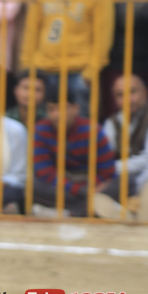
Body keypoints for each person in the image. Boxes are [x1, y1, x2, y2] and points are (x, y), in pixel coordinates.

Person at [20, 0, 113, 112]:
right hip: (44, 70)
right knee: (43, 124)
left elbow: (103, 38)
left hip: (79, 72)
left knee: (80, 124)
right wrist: (28, 67)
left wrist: (90, 72)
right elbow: (32, 30)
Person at [32, 82, 116, 216]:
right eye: (51, 109)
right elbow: (45, 172)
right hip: (62, 184)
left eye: (62, 108)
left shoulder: (92, 130)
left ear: (76, 108)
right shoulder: (41, 130)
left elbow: (107, 170)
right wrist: (80, 190)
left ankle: (70, 212)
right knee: (32, 186)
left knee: (124, 183)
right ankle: (86, 210)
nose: (57, 114)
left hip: (90, 181)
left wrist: (92, 186)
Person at [101, 73, 148, 194]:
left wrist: (111, 168)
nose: (127, 99)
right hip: (120, 178)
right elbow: (103, 157)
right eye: (120, 95)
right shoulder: (112, 122)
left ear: (145, 92)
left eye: (132, 92)